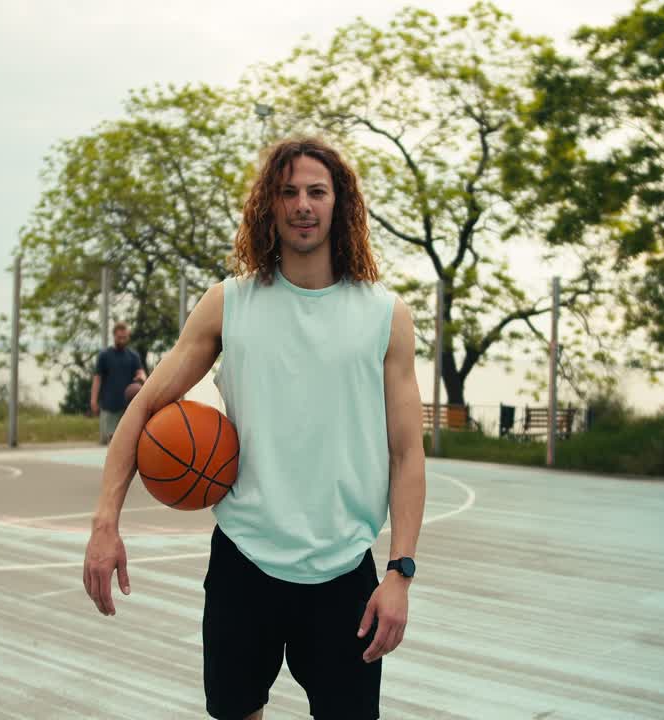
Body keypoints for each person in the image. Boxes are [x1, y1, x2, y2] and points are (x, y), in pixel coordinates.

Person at [82, 137, 426, 720]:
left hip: (345, 571)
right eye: (287, 192)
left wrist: (400, 573)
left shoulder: (383, 315)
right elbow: (140, 412)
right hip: (245, 562)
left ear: (340, 204)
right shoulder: (229, 304)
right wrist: (104, 523)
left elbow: (407, 454)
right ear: (268, 205)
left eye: (317, 191)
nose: (302, 205)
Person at [90, 322, 147, 445]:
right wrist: (93, 400)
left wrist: (142, 378)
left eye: (124, 337)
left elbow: (141, 373)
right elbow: (97, 378)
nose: (122, 340)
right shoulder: (104, 356)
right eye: (119, 337)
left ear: (128, 337)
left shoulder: (133, 356)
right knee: (113, 440)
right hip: (110, 405)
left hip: (128, 406)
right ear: (114, 336)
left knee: (129, 440)